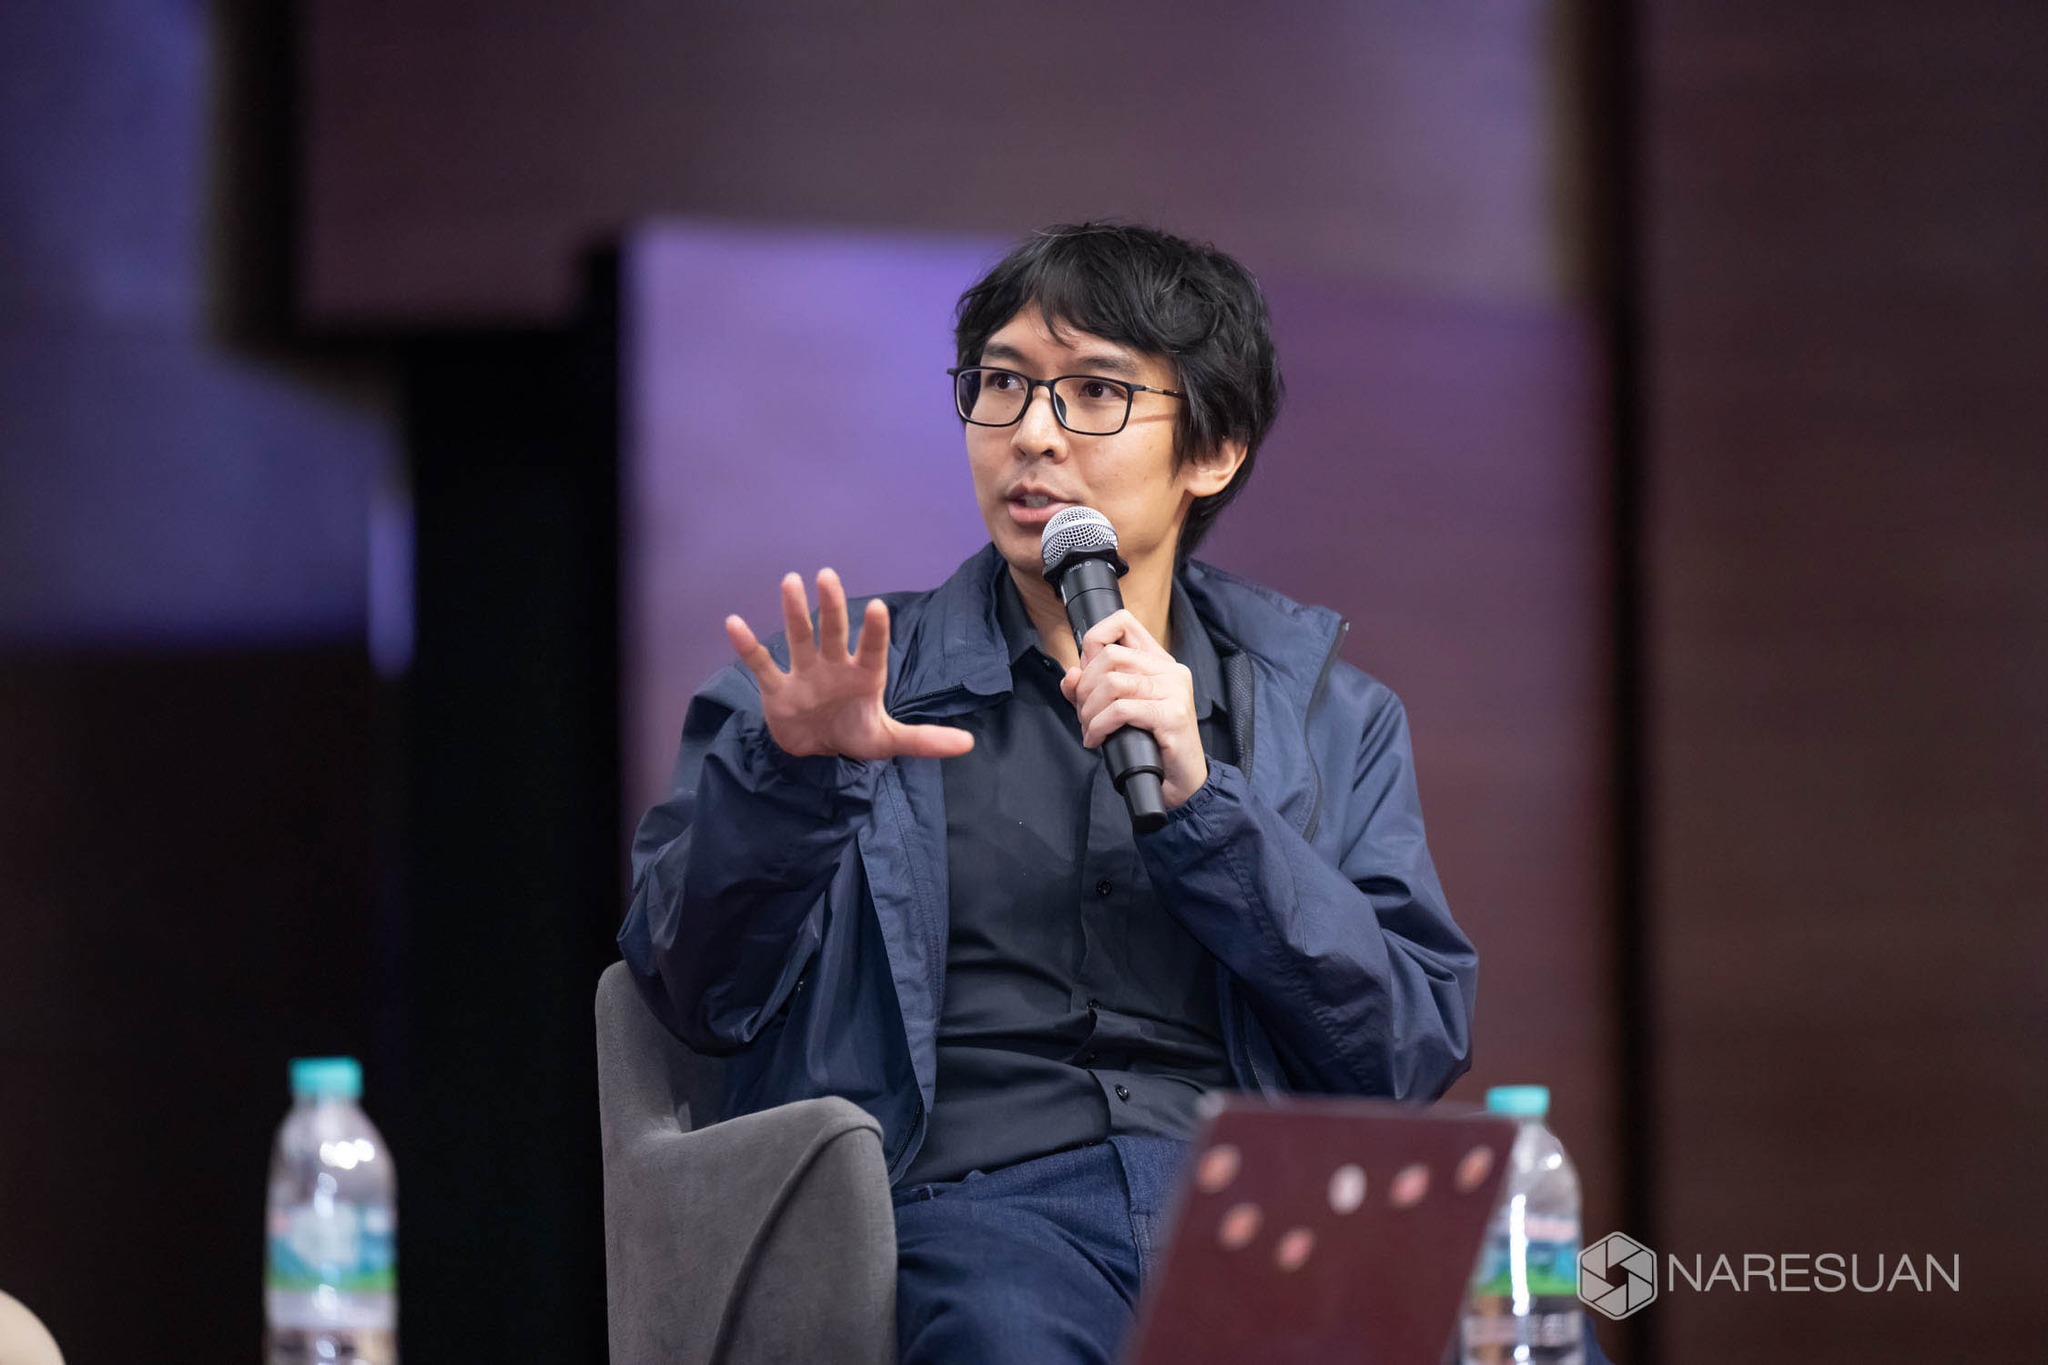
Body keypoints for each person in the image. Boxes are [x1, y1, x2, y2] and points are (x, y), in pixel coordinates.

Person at [619, 222, 1479, 1364]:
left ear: (1213, 449)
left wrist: (1208, 811)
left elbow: (1403, 1051)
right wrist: (795, 778)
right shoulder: (829, 694)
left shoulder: (1329, 717)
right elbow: (690, 994)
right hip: (972, 1211)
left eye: (1095, 393)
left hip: (1259, 1215)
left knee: (1533, 1337)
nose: (1030, 433)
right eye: (1002, 385)